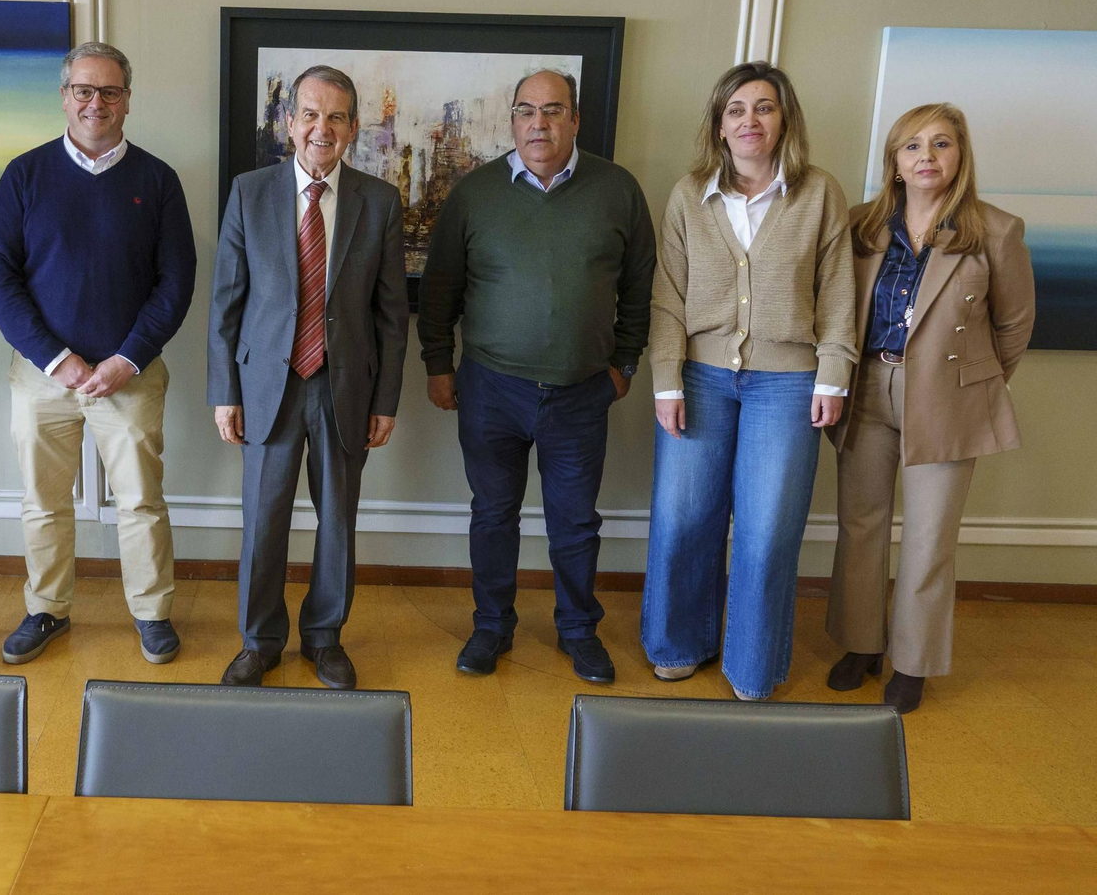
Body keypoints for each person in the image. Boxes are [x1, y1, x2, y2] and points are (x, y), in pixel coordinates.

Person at [419, 68, 655, 683]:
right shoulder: (476, 193)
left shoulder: (618, 189)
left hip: (581, 392)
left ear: (576, 119)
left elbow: (640, 285)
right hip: (491, 389)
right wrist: (439, 365)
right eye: (526, 111)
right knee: (493, 514)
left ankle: (578, 630)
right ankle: (490, 626)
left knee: (575, 523)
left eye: (553, 111)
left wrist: (624, 364)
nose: (538, 123)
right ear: (512, 121)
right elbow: (441, 288)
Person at [640, 61, 857, 701]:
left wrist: (834, 376)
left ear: (784, 118)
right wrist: (666, 381)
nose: (749, 120)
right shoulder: (689, 194)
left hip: (789, 385)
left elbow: (838, 291)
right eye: (736, 109)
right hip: (700, 378)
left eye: (763, 107)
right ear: (719, 122)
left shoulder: (820, 194)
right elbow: (668, 297)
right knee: (683, 520)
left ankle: (752, 666)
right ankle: (681, 644)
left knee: (766, 532)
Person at [0, 42, 196, 666]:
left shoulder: (157, 180)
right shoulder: (25, 175)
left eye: (109, 91)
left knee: (141, 502)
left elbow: (175, 282)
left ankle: (152, 614)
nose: (95, 103)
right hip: (43, 376)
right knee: (43, 503)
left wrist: (127, 358)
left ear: (127, 99)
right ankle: (47, 609)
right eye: (83, 90)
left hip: (129, 373)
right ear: (65, 95)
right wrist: (57, 360)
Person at [825, 103, 1034, 714]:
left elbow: (1015, 326)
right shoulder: (861, 226)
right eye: (912, 146)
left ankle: (912, 664)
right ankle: (861, 645)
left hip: (946, 400)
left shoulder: (996, 230)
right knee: (860, 525)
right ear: (894, 161)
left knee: (928, 538)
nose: (926, 157)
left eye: (940, 145)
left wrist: (972, 383)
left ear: (960, 155)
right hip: (867, 388)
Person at [208, 65, 409, 689]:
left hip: (343, 385)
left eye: (338, 117)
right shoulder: (249, 192)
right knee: (264, 522)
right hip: (267, 385)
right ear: (290, 122)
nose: (323, 128)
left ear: (352, 127)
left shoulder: (379, 202)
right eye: (311, 115)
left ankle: (324, 638)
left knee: (337, 522)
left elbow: (391, 313)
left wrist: (386, 399)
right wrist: (225, 393)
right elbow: (226, 304)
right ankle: (259, 640)